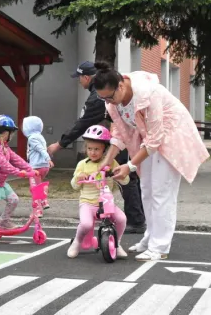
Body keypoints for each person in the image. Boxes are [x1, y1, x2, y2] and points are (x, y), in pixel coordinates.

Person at [94, 62, 209, 261]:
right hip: (147, 140)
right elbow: (121, 133)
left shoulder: (148, 93)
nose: (108, 102)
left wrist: (129, 166)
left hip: (171, 137)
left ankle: (160, 246)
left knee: (161, 192)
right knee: (146, 189)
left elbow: (156, 139)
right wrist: (106, 162)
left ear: (121, 86)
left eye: (110, 96)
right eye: (102, 98)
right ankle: (150, 238)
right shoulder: (112, 103)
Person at [47, 61, 146, 234]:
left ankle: (136, 220)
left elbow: (82, 123)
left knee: (123, 177)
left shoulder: (97, 97)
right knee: (129, 177)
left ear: (86, 77)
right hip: (117, 138)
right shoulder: (100, 92)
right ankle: (138, 217)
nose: (79, 82)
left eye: (79, 78)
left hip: (114, 140)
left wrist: (60, 144)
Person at [68, 125, 128, 259]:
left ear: (105, 149)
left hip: (107, 203)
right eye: (89, 148)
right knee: (86, 224)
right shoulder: (82, 164)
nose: (93, 152)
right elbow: (74, 186)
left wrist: (121, 175)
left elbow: (125, 181)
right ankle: (77, 242)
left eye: (97, 149)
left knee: (122, 219)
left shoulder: (111, 163)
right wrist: (78, 178)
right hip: (88, 203)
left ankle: (117, 244)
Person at [0, 114, 37, 244]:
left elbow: (15, 158)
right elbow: (5, 166)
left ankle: (4, 221)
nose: (12, 135)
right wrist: (22, 174)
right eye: (11, 133)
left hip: (0, 181)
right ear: (3, 133)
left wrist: (29, 168)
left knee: (13, 199)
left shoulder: (4, 145)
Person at [22, 115, 53, 210]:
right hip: (44, 167)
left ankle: (38, 208)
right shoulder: (40, 137)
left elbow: (40, 149)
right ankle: (43, 199)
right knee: (38, 185)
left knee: (34, 188)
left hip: (36, 167)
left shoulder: (32, 138)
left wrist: (48, 158)